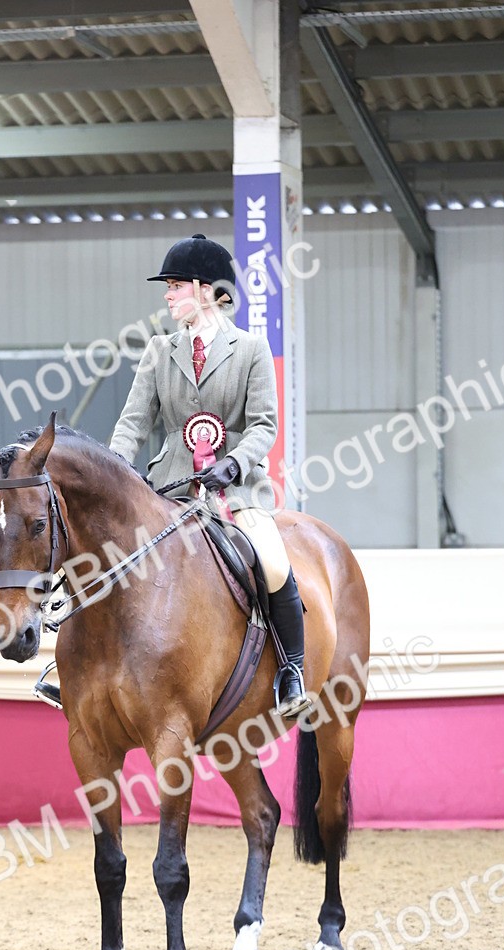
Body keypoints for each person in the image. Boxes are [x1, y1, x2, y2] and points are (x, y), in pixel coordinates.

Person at [109, 232, 311, 719]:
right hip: (168, 488)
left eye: (175, 285)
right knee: (109, 558)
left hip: (234, 489)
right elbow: (134, 422)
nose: (168, 294)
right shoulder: (159, 350)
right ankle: (87, 667)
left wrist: (235, 462)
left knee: (273, 561)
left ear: (204, 289)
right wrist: (114, 473)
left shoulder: (251, 349)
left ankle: (291, 670)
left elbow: (264, 423)